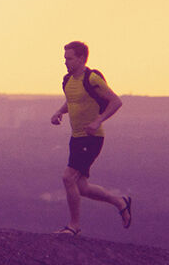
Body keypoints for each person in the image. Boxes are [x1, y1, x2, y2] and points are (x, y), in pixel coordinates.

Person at [49, 41, 131, 235]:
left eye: (69, 59)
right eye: (65, 59)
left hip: (92, 138)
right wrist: (59, 112)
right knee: (82, 187)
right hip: (76, 138)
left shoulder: (92, 78)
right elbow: (73, 101)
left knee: (68, 177)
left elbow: (116, 101)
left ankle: (74, 226)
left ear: (81, 59)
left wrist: (98, 120)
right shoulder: (67, 80)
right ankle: (120, 202)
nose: (66, 62)